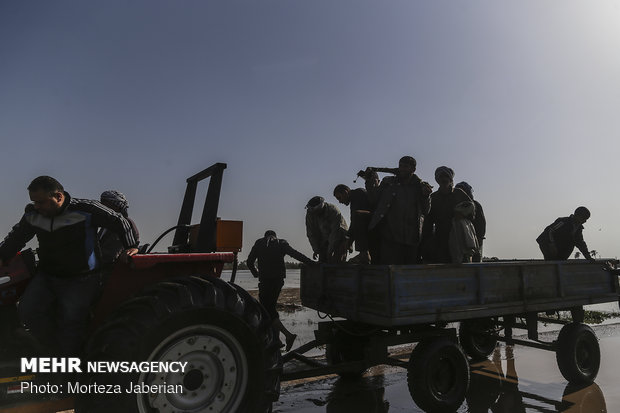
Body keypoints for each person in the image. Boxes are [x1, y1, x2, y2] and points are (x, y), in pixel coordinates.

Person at [0, 176, 139, 356]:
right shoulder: (34, 215)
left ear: (58, 197)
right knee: (27, 311)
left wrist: (131, 246)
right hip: (47, 275)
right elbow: (16, 238)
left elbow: (119, 221)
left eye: (41, 202)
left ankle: (70, 370)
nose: (37, 206)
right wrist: (2, 256)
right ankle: (50, 350)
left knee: (71, 321)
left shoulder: (86, 209)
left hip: (81, 279)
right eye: (34, 202)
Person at [246, 230, 314, 351]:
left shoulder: (259, 243)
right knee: (270, 308)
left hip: (265, 280)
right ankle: (275, 340)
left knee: (267, 309)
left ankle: (286, 336)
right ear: (274, 236)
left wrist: (255, 273)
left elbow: (249, 261)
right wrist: (311, 263)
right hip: (278, 281)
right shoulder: (281, 243)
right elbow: (295, 254)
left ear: (265, 235)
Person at [362, 156, 432, 264]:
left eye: (405, 166)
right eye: (400, 166)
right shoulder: (388, 182)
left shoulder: (420, 186)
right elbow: (374, 199)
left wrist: (426, 196)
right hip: (390, 238)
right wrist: (369, 181)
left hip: (411, 239)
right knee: (390, 272)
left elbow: (426, 210)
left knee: (408, 275)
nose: (402, 169)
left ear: (413, 169)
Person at [421, 166, 470, 263]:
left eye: (446, 177)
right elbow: (428, 223)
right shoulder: (433, 197)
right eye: (441, 177)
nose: (443, 179)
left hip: (460, 237)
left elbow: (472, 210)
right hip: (440, 239)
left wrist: (462, 214)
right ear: (437, 180)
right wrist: (427, 243)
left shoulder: (459, 193)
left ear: (450, 179)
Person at [333, 184, 375, 264]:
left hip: (376, 223)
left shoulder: (359, 193)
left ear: (346, 192)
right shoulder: (354, 198)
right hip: (370, 224)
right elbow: (354, 224)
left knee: (358, 215)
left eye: (339, 198)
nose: (340, 201)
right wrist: (348, 239)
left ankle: (364, 253)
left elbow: (357, 221)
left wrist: (349, 240)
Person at [99, 190, 140, 267]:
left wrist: (133, 250)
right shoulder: (105, 224)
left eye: (106, 204)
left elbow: (134, 245)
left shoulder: (126, 222)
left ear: (116, 206)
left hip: (112, 266)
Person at [305, 196, 349, 263]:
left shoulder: (333, 210)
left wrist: (330, 251)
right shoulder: (310, 213)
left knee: (337, 261)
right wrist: (316, 249)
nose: (316, 213)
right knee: (323, 261)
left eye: (317, 211)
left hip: (340, 236)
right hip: (324, 238)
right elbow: (310, 233)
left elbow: (335, 233)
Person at [455, 181, 486, 262]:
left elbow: (481, 225)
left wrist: (479, 242)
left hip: (474, 241)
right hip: (458, 242)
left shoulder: (476, 205)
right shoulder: (455, 207)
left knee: (475, 263)